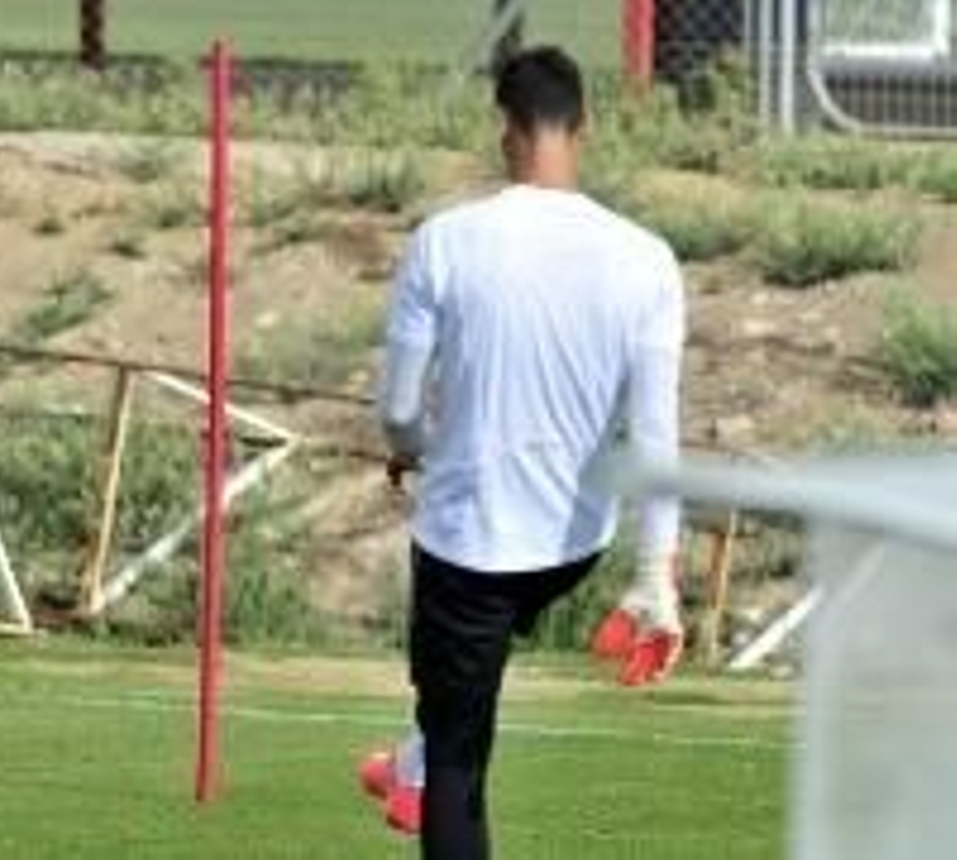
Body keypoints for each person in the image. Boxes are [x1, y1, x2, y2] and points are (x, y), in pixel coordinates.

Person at [374, 45, 686, 858]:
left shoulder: (444, 241)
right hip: (573, 546)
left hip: (468, 546)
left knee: (457, 765)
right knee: (457, 701)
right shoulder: (648, 258)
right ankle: (417, 748)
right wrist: (657, 579)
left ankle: (423, 758)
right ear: (583, 126)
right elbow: (655, 435)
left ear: (505, 130)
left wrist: (412, 451)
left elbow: (401, 412)